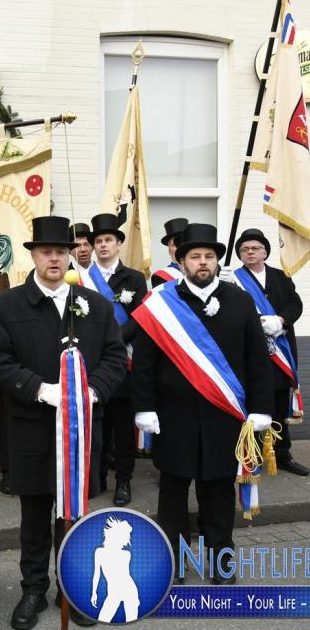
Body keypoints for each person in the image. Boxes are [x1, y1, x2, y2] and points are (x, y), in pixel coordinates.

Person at [0, 215, 127, 630]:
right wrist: (39, 389)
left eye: (62, 252)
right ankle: (33, 589)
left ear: (70, 256)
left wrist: (93, 391)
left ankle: (72, 589)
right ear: (33, 254)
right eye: (46, 251)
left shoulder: (96, 306)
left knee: (76, 515)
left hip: (81, 433)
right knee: (34, 514)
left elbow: (116, 358)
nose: (55, 259)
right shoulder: (7, 305)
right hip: (32, 428)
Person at [132, 223, 274, 584]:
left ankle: (221, 564)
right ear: (182, 262)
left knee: (218, 497)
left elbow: (257, 360)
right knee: (173, 496)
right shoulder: (161, 303)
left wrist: (261, 408)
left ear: (216, 261)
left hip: (223, 418)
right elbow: (145, 361)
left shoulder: (240, 301)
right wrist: (144, 406)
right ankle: (175, 564)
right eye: (195, 256)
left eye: (209, 256)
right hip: (173, 417)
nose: (203, 262)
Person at [229, 228, 308, 476]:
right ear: (240, 255)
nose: (250, 252)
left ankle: (281, 453)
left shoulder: (281, 276)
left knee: (279, 403)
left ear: (265, 252)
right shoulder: (233, 279)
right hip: (250, 352)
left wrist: (282, 320)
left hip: (280, 350)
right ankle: (250, 454)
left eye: (255, 248)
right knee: (252, 401)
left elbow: (296, 303)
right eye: (244, 249)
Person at [83, 213, 147, 506]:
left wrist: (113, 343)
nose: (104, 245)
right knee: (96, 425)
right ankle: (96, 478)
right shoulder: (81, 277)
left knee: (122, 427)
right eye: (99, 241)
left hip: (123, 362)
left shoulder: (134, 278)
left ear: (119, 244)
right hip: (92, 363)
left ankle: (123, 481)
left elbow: (139, 319)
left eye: (109, 240)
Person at [150, 217, 188, 288]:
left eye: (182, 243)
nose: (179, 248)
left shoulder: (205, 272)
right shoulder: (160, 277)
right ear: (169, 250)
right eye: (174, 245)